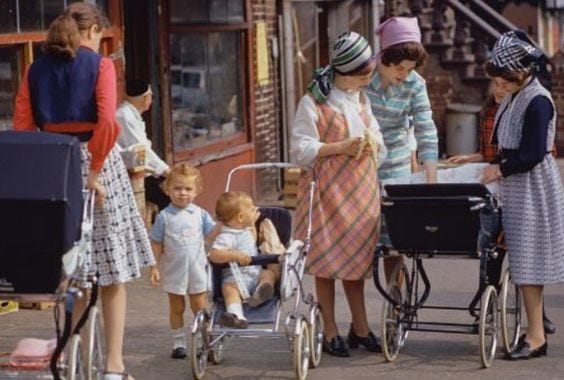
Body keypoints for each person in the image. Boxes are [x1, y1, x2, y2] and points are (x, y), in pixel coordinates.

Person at [12, 3, 155, 379]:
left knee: (69, 271)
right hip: (97, 163)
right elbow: (108, 122)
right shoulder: (101, 65)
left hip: (52, 166)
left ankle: (71, 350)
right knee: (111, 274)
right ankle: (113, 366)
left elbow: (23, 128)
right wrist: (93, 169)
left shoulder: (34, 69)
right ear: (91, 30)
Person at [290, 31, 387, 357]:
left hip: (360, 191)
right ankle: (330, 328)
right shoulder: (314, 101)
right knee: (327, 263)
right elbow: (300, 150)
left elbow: (376, 135)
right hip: (326, 191)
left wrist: (373, 143)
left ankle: (360, 328)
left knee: (357, 262)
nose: (365, 81)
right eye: (361, 76)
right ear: (344, 72)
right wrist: (339, 147)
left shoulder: (361, 99)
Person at [481, 31, 564, 360]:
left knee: (530, 263)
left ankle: (536, 337)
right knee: (524, 263)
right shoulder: (519, 96)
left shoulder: (538, 100)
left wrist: (498, 170)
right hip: (519, 187)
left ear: (519, 75)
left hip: (533, 187)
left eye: (503, 81)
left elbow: (530, 153)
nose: (498, 88)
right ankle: (534, 332)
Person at [365, 16, 439, 280]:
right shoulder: (362, 77)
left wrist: (430, 179)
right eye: (398, 67)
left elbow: (425, 129)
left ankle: (395, 309)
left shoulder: (415, 84)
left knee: (394, 240)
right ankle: (358, 317)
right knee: (361, 242)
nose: (403, 75)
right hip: (361, 165)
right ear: (383, 57)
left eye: (409, 69)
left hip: (395, 163)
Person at [149, 164, 218, 359]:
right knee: (176, 306)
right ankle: (179, 342)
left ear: (197, 191)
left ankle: (204, 339)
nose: (183, 193)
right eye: (177, 188)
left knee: (198, 305)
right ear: (167, 189)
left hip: (197, 268)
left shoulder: (199, 214)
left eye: (188, 189)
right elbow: (156, 242)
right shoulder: (163, 217)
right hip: (174, 269)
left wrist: (222, 225)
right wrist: (154, 266)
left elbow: (211, 235)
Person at [208, 191, 279, 328]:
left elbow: (251, 240)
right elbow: (214, 255)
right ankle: (236, 315)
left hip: (256, 274)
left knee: (268, 274)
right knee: (228, 289)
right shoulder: (226, 236)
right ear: (240, 217)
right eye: (252, 209)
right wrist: (234, 255)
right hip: (235, 279)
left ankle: (262, 290)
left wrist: (252, 222)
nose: (256, 209)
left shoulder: (246, 230)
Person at [116, 79, 170, 210]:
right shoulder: (124, 116)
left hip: (144, 169)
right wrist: (166, 171)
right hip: (131, 171)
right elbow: (141, 149)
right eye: (151, 96)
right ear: (146, 97)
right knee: (168, 201)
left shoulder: (131, 114)